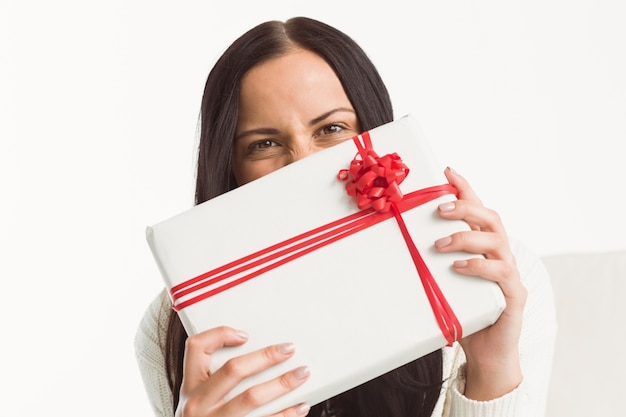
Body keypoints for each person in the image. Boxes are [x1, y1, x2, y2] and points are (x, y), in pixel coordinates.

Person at [135, 16, 557, 417]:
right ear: (228, 167)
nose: (302, 162)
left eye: (331, 129)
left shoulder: (492, 278)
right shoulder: (174, 330)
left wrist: (492, 369)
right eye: (263, 144)